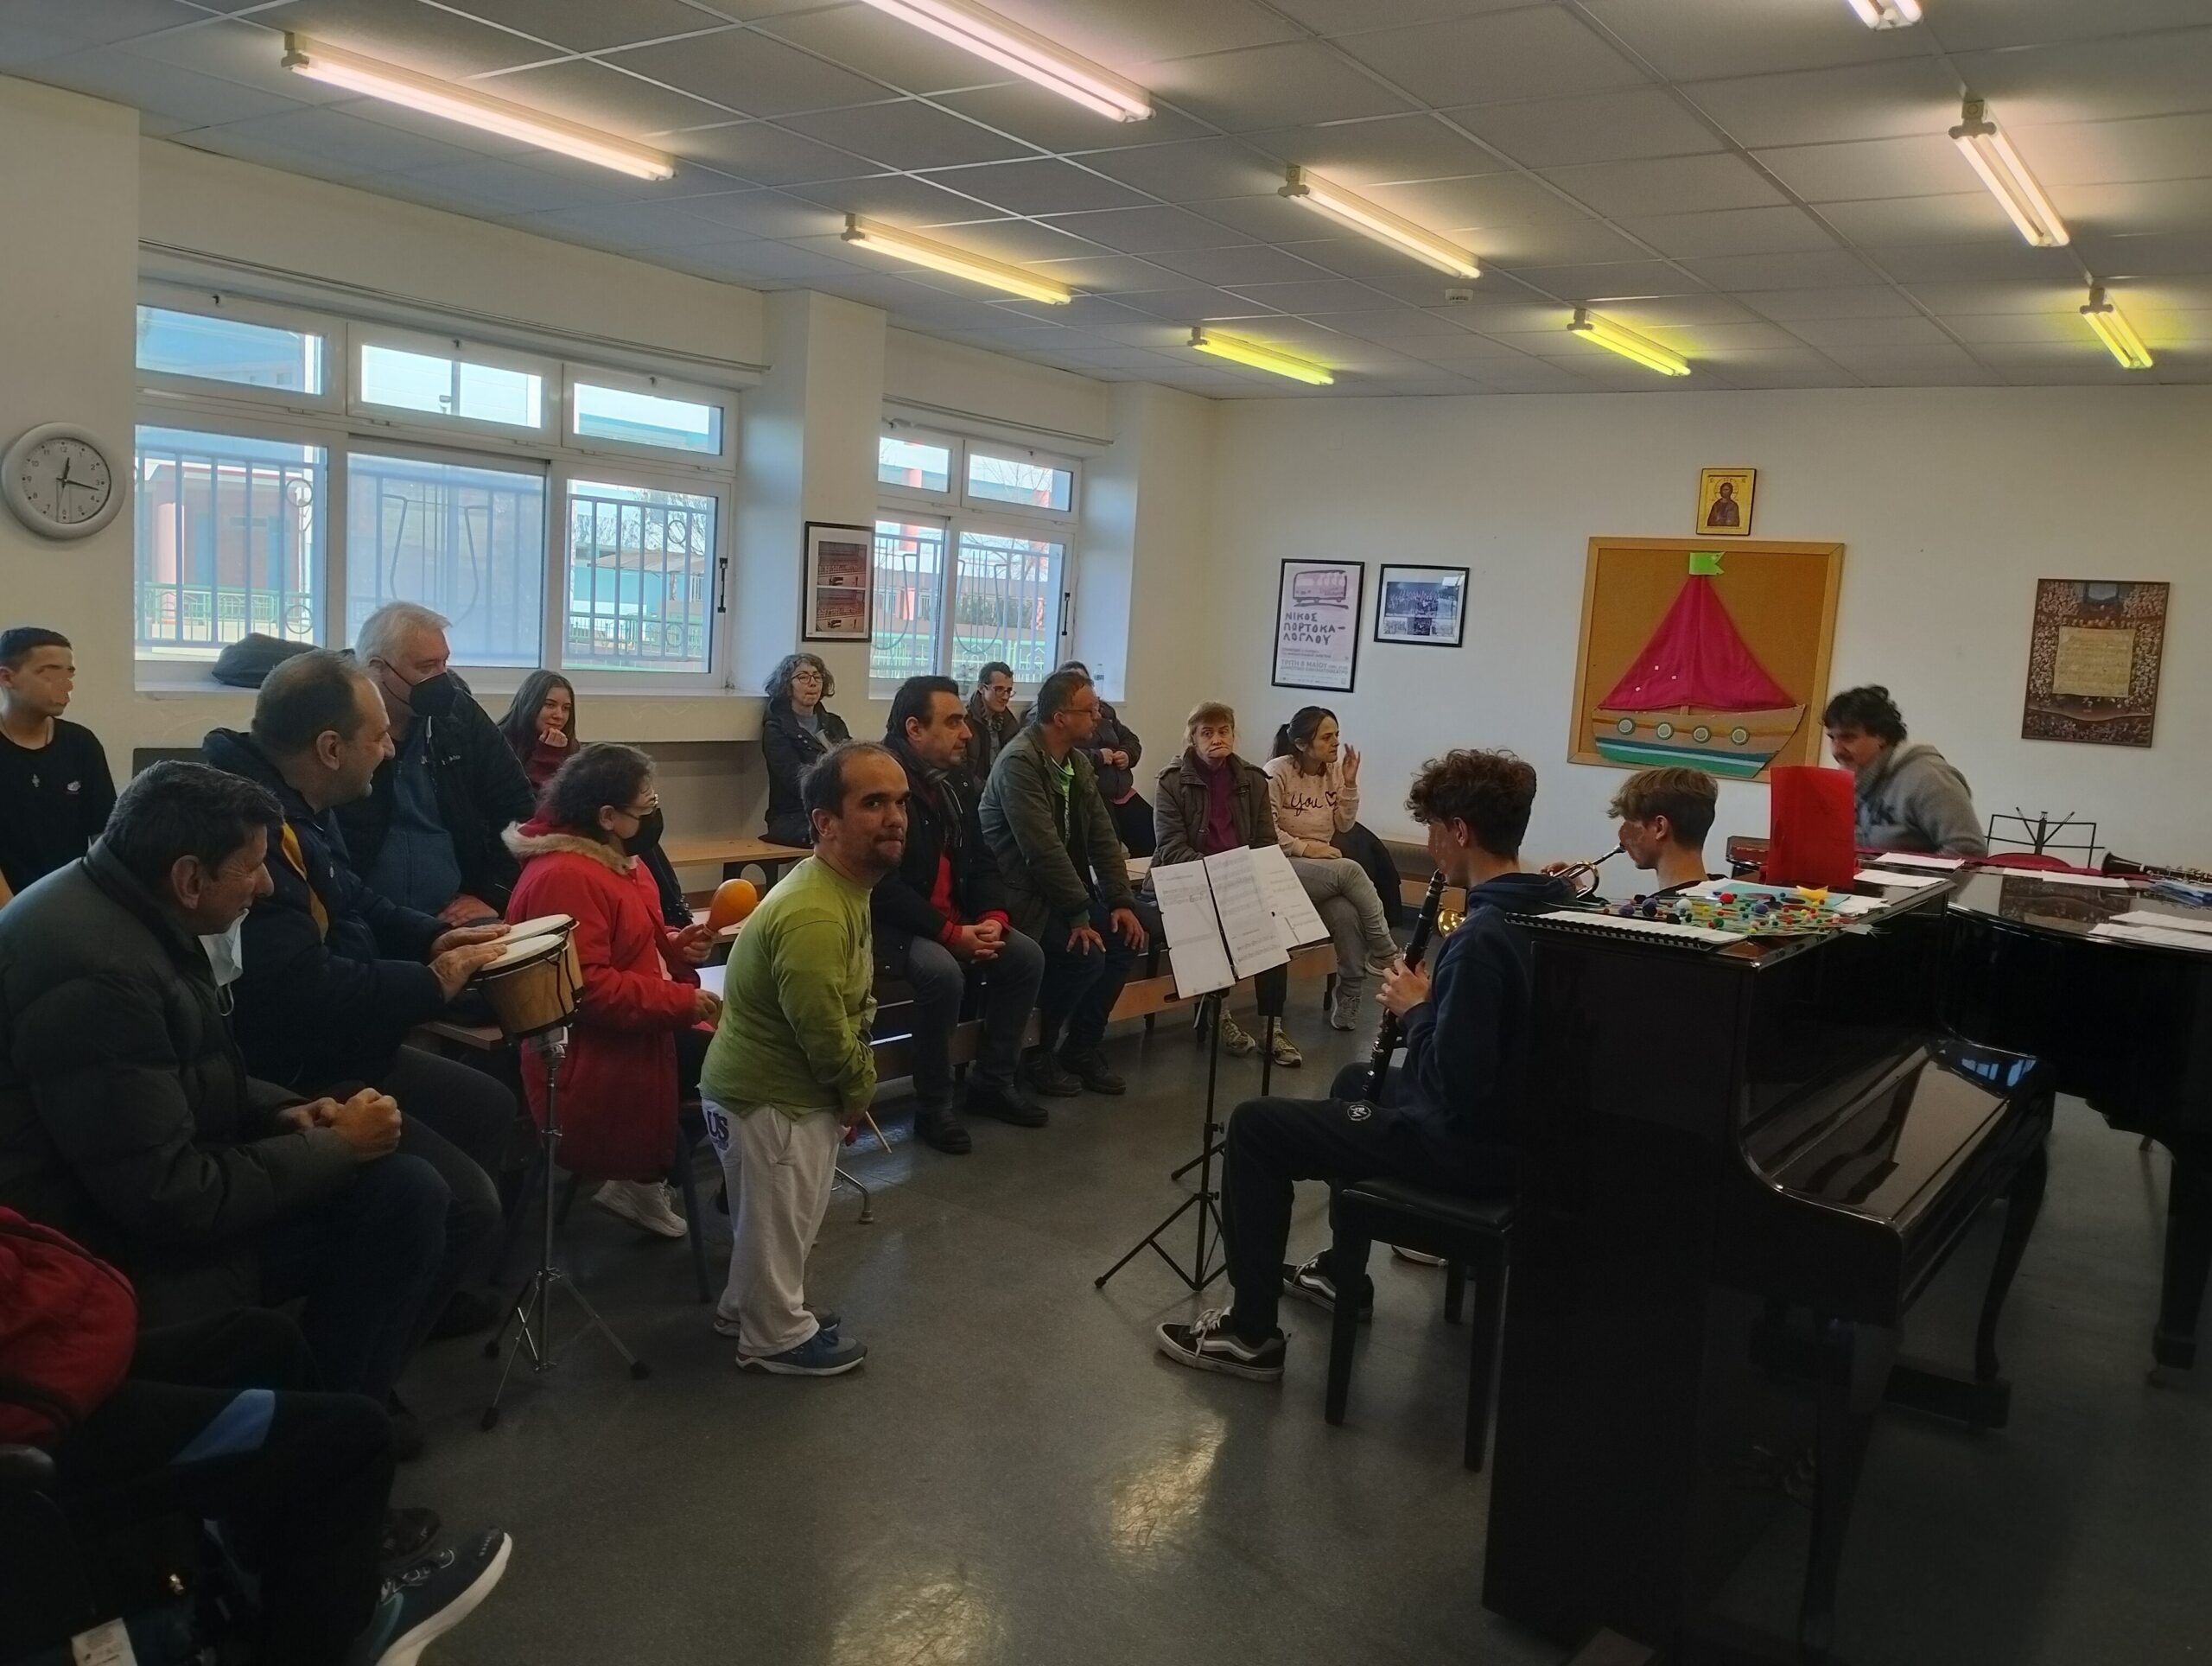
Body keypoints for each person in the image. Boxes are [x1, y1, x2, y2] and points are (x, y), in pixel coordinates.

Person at [0, 761, 459, 1407]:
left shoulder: (120, 905)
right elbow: (169, 1197)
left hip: (122, 1198)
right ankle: (325, 1427)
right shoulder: (101, 975)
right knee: (404, 1197)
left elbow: (178, 1076)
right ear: (190, 878)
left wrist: (286, 1114)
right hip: (100, 1251)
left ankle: (334, 1408)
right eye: (253, 867)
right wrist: (335, 1148)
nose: (266, 886)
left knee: (405, 1183)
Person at [1155, 749, 1571, 1383]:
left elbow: (1456, 1085)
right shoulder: (1547, 904)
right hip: (1518, 1130)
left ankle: (1250, 1334)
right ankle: (1340, 1272)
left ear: (1460, 831)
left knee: (1256, 1126)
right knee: (1356, 1081)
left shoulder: (1480, 938)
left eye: (1434, 828)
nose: (1430, 844)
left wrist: (1417, 1010)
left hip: (1465, 1145)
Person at [203, 650, 516, 1354]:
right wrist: (432, 982)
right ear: (329, 748)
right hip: (297, 1067)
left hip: (345, 1036)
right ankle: (357, 1360)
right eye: (378, 736)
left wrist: (435, 936)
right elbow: (304, 991)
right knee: (469, 1205)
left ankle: (426, 1292)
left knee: (487, 1106)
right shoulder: (254, 830)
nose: (391, 747)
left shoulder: (303, 804)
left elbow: (354, 899)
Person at [21, 1300, 510, 1666]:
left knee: (264, 1340)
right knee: (359, 1438)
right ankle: (341, 1638)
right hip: (32, 1430)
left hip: (38, 1366)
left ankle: (295, 1587)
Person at [700, 742, 906, 1377]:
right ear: (825, 822)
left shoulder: (839, 886)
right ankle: (774, 1336)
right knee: (780, 1227)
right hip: (773, 1100)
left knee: (768, 1223)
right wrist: (858, 1090)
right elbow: (823, 1031)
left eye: (900, 802)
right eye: (873, 803)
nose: (895, 818)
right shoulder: (814, 911)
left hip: (765, 1093)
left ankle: (744, 1308)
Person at [504, 743, 721, 1238]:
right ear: (606, 816)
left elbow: (631, 944)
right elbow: (585, 987)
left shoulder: (620, 860)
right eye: (646, 806)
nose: (654, 815)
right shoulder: (564, 875)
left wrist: (675, 946)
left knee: (744, 1056)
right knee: (744, 1072)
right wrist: (680, 1002)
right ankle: (728, 1197)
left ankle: (649, 1182)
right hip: (591, 1056)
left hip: (636, 1032)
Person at [876, 677, 1046, 1154]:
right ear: (914, 728)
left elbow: (983, 860)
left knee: (1026, 957)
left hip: (955, 919)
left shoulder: (956, 784)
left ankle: (992, 1082)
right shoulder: (882, 784)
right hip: (893, 927)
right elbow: (880, 886)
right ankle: (933, 1105)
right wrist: (949, 933)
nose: (967, 733)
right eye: (953, 722)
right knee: (942, 974)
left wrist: (992, 917)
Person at [978, 668, 1149, 1099]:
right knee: (1084, 956)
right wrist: (1078, 915)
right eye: (1089, 711)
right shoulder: (1020, 762)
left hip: (1056, 892)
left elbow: (1102, 837)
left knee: (1125, 936)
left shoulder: (1075, 763)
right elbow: (1042, 850)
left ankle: (1082, 1047)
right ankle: (1038, 1053)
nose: (1099, 717)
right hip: (1016, 895)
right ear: (1060, 717)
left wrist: (1120, 900)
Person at [339, 601, 537, 925]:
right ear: (377, 668)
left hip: (454, 912)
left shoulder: (460, 716)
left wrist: (494, 893)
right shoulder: (339, 725)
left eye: (444, 662)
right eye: (427, 667)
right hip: (364, 918)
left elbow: (517, 807)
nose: (443, 678)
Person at [1153, 702, 1302, 1071]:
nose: (1216, 739)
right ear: (1192, 738)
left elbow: (1265, 841)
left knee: (1273, 929)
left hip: (1241, 877)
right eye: (1207, 733)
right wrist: (1220, 876)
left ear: (1234, 735)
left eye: (1223, 731)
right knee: (1216, 922)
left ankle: (1272, 1028)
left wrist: (1251, 878)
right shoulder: (1171, 782)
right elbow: (1172, 848)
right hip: (1189, 881)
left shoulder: (1253, 779)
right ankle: (1219, 1016)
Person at [499, 671, 692, 929]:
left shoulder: (572, 747)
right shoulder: (502, 744)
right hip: (536, 836)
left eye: (566, 708)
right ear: (529, 703)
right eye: (550, 705)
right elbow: (541, 804)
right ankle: (672, 913)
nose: (559, 715)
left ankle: (672, 912)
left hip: (585, 826)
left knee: (637, 832)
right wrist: (547, 756)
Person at [1264, 708, 1400, 1033]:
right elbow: (1265, 831)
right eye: (1327, 737)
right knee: (1351, 871)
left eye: (1337, 734)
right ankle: (1386, 952)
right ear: (1302, 744)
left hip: (1318, 868)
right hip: (1281, 864)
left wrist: (1350, 784)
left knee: (1345, 913)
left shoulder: (1334, 772)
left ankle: (1350, 994)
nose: (1336, 742)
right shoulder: (1277, 771)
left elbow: (1345, 824)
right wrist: (1306, 848)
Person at [0, 626, 115, 908]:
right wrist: (13, 915)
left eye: (69, 675)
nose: (66, 686)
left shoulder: (81, 743)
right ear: (7, 677)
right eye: (50, 674)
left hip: (72, 900)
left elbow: (104, 834)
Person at [1822, 684, 1986, 857]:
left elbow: (1969, 851)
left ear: (1881, 737)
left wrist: (1898, 872)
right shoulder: (1859, 777)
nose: (1836, 750)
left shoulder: (1928, 778)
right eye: (1832, 738)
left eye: (1848, 737)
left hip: (1907, 876)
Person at [1554, 766, 1718, 899]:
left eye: (1630, 825)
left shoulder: (1658, 916)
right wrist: (1580, 891)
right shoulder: (1721, 890)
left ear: (1659, 828)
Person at [1058, 659, 1151, 859]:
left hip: (1122, 791)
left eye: (1086, 683)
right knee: (1108, 847)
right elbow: (1062, 754)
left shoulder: (1105, 711)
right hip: (1092, 793)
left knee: (1152, 834)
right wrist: (1098, 756)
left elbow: (1130, 739)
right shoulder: (1057, 717)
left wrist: (1127, 755)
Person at [760, 652, 851, 848]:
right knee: (842, 834)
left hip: (836, 810)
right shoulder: (776, 728)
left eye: (817, 677)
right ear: (787, 685)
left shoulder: (835, 724)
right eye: (803, 677)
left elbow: (852, 764)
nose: (812, 683)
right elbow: (795, 779)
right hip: (793, 816)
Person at [963, 660, 1020, 786]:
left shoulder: (1009, 722)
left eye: (1008, 691)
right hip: (977, 792)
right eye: (999, 689)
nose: (1005, 697)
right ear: (981, 688)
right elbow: (963, 771)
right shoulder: (966, 722)